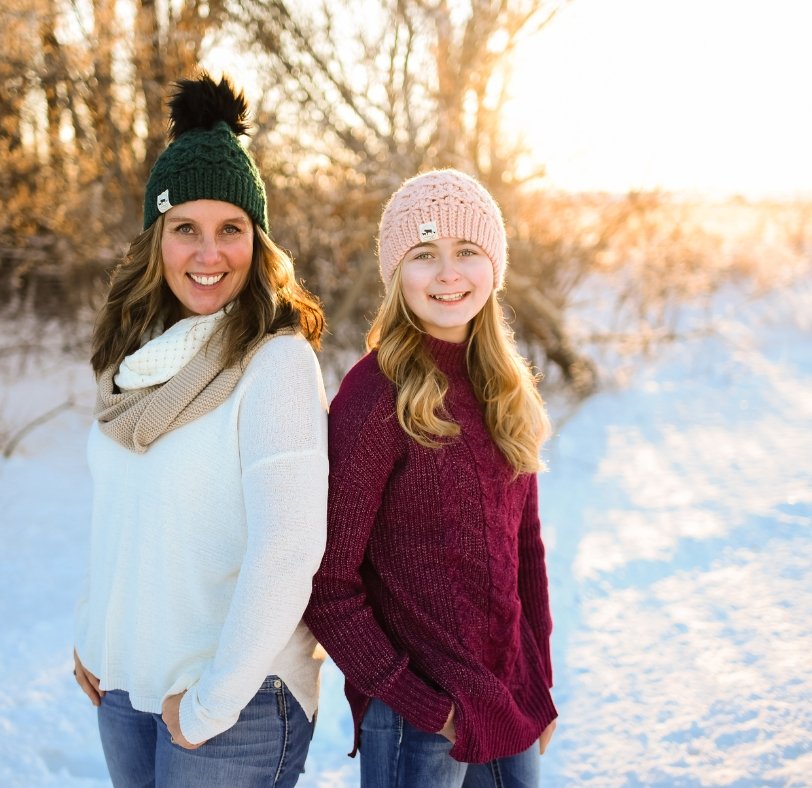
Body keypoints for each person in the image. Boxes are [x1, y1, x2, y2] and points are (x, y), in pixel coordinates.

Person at [72, 72, 329, 787]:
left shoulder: (273, 362)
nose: (209, 254)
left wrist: (214, 701)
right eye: (186, 228)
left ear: (258, 239)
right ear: (158, 239)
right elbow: (119, 513)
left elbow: (290, 547)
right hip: (127, 683)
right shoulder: (136, 358)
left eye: (231, 230)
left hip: (234, 701)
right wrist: (95, 629)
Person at [304, 169, 558, 787]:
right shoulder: (374, 397)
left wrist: (538, 680)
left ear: (492, 266)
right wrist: (422, 706)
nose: (449, 274)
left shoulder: (502, 386)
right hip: (416, 720)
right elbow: (328, 584)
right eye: (425, 255)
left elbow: (523, 549)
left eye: (466, 251)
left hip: (506, 700)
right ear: (397, 273)